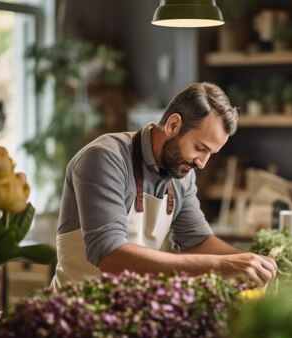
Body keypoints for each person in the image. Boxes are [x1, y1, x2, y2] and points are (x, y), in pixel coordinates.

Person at [50, 82, 277, 290]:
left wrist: (251, 263)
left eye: (210, 153)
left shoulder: (182, 174)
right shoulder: (105, 158)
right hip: (74, 313)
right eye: (200, 147)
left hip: (129, 313)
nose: (202, 163)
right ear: (173, 125)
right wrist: (222, 265)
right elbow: (112, 257)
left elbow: (196, 242)